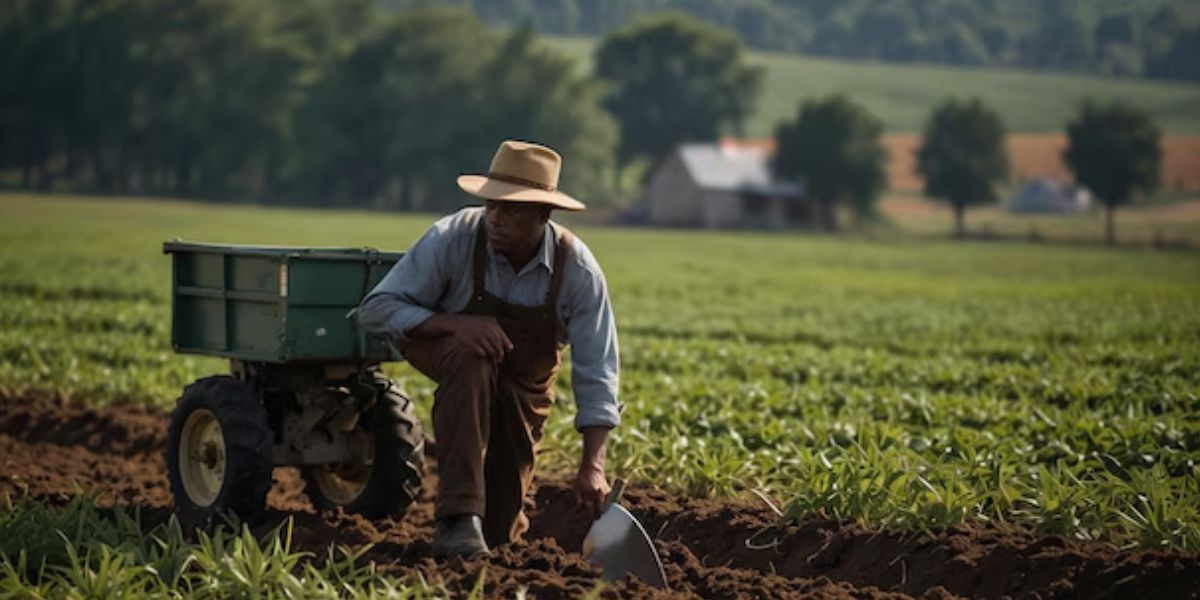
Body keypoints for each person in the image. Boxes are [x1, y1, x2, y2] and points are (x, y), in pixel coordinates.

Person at [357, 140, 620, 559]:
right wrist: (455, 325)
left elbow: (598, 369)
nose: (496, 218)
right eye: (492, 206)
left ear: (544, 215)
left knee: (500, 531)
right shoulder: (453, 237)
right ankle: (456, 518)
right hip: (450, 354)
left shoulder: (578, 271)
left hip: (523, 385)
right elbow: (375, 309)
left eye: (512, 210)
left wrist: (593, 465)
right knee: (473, 358)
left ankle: (490, 536)